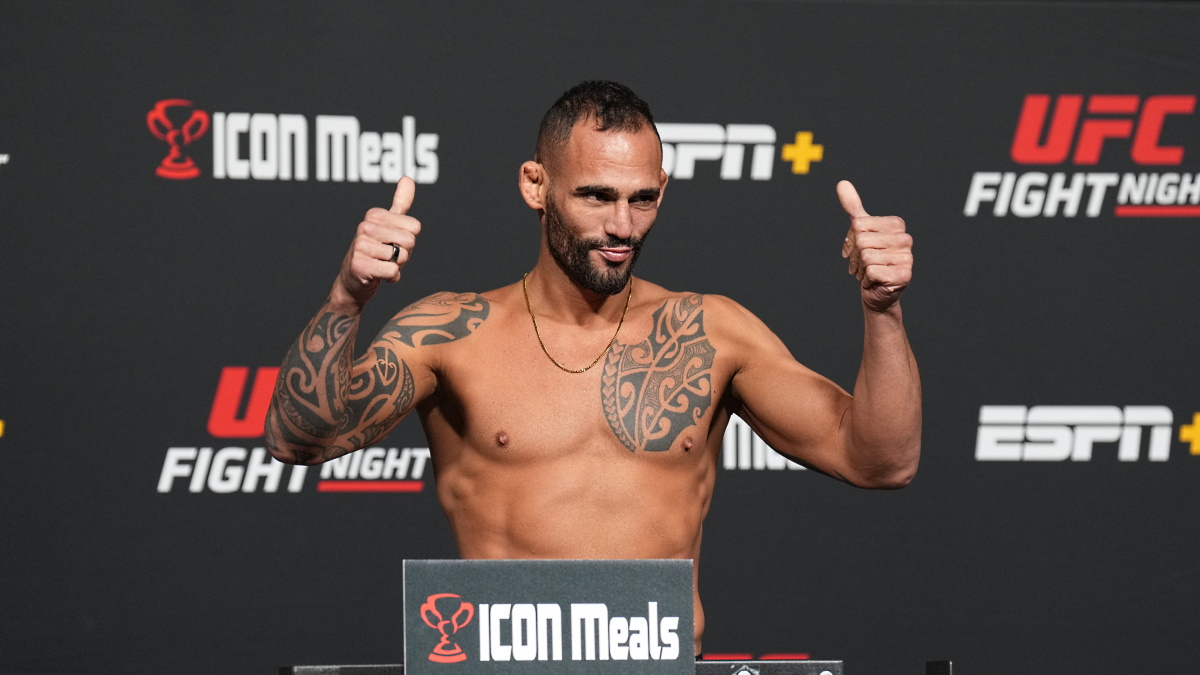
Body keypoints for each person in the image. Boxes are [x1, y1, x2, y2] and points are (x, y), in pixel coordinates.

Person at [265, 80, 920, 653]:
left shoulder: (710, 333)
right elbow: (300, 439)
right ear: (536, 185)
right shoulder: (453, 333)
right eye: (597, 196)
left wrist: (882, 307)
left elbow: (880, 461)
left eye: (643, 199)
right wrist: (347, 298)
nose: (622, 227)